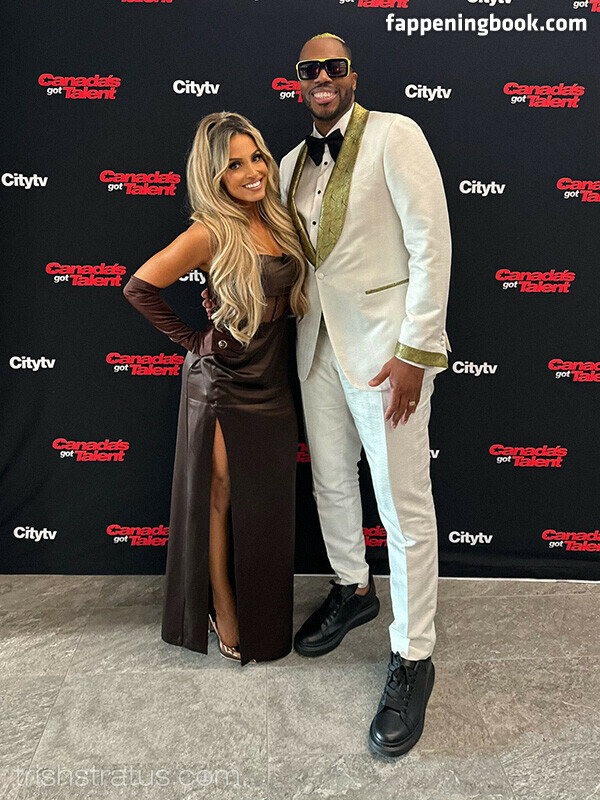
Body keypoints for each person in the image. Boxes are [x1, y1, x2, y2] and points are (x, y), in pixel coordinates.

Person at [279, 33, 452, 756]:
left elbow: (431, 243)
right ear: (298, 82)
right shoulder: (288, 162)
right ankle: (353, 589)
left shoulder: (395, 134)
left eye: (335, 67)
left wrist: (416, 351)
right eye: (310, 70)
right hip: (315, 345)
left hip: (387, 356)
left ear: (353, 76)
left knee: (402, 505)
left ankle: (413, 655)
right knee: (330, 482)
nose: (322, 77)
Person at [122, 112, 309, 666]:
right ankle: (222, 607)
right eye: (235, 165)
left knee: (268, 501)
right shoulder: (209, 230)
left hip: (272, 377)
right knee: (221, 496)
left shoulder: (280, 218)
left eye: (257, 158)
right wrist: (194, 340)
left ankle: (264, 612)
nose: (253, 172)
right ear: (214, 175)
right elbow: (139, 287)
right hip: (222, 383)